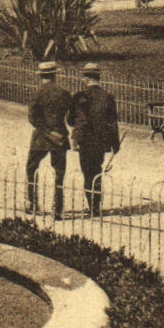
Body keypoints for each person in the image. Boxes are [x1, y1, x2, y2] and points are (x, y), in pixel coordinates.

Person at [68, 63, 120, 217]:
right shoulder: (108, 97)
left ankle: (92, 206)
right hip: (101, 141)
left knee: (87, 172)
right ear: (99, 77)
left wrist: (76, 136)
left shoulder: (79, 97)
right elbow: (112, 122)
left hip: (85, 140)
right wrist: (115, 144)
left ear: (85, 78)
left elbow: (71, 120)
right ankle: (96, 206)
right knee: (97, 170)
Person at [25, 61, 71, 219]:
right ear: (55, 75)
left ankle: (32, 203)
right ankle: (58, 209)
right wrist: (56, 132)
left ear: (41, 76)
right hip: (60, 135)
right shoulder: (64, 93)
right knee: (59, 173)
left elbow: (32, 118)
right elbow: (70, 118)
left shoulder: (37, 93)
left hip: (41, 137)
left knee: (31, 167)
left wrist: (47, 132)